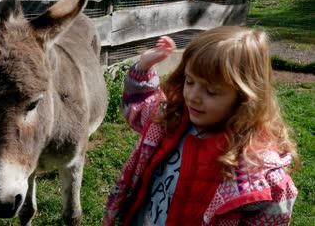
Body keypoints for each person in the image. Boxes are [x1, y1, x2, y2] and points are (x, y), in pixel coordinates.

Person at [103, 26, 300, 225]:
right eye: (189, 81)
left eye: (211, 91)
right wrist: (142, 68)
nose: (193, 97)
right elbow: (138, 109)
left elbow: (272, 216)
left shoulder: (257, 168)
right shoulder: (171, 119)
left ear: (244, 97)